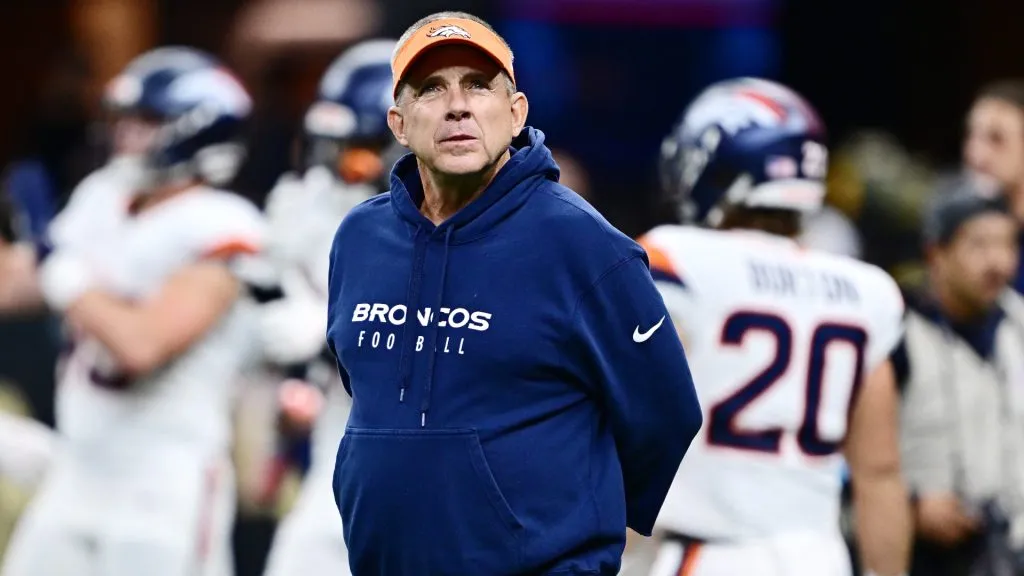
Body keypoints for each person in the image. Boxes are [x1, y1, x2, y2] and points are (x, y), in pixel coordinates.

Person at [325, 11, 702, 576]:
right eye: (432, 88)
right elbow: (366, 386)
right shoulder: (359, 237)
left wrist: (570, 530)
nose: (458, 105)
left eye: (478, 84)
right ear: (398, 123)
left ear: (517, 112)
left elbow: (665, 413)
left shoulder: (582, 243)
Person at [0, 46, 266, 576]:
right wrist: (35, 252)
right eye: (125, 120)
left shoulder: (223, 224)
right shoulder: (105, 195)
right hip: (79, 470)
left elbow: (141, 344)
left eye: (146, 121)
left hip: (164, 482)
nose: (126, 135)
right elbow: (16, 286)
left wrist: (63, 271)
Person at [639, 77, 911, 576]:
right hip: (820, 556)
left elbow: (626, 422)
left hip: (711, 554)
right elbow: (880, 471)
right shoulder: (865, 289)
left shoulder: (679, 259)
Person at [259, 37, 401, 576]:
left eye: (356, 150)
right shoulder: (309, 206)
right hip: (335, 459)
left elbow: (446, 339)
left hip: (423, 474)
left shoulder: (462, 220)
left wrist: (329, 333)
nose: (336, 168)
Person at [896, 190, 1024, 576]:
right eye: (979, 245)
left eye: (1007, 244)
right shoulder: (897, 330)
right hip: (925, 555)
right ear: (937, 253)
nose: (998, 261)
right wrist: (911, 504)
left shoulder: (1018, 325)